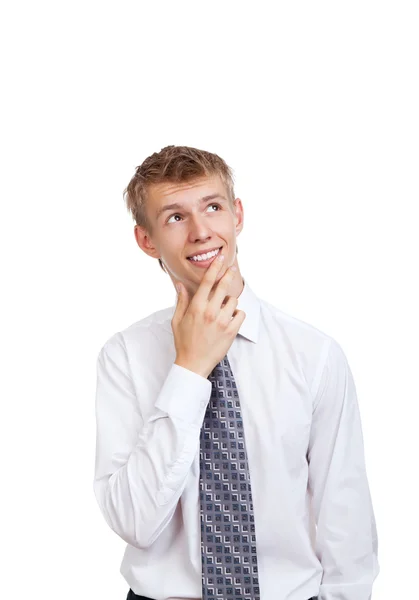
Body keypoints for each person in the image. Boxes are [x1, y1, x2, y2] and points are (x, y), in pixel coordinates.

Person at [93, 145, 380, 600]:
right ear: (147, 241)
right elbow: (134, 522)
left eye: (213, 207)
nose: (201, 232)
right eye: (174, 217)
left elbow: (344, 519)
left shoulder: (314, 354)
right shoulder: (125, 357)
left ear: (238, 214)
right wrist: (189, 370)